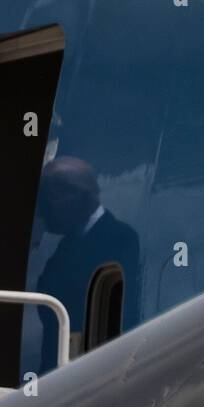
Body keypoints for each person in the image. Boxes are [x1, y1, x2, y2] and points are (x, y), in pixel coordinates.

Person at [36, 156, 141, 372]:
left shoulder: (120, 239)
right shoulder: (67, 246)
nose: (43, 212)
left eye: (49, 201)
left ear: (74, 196)